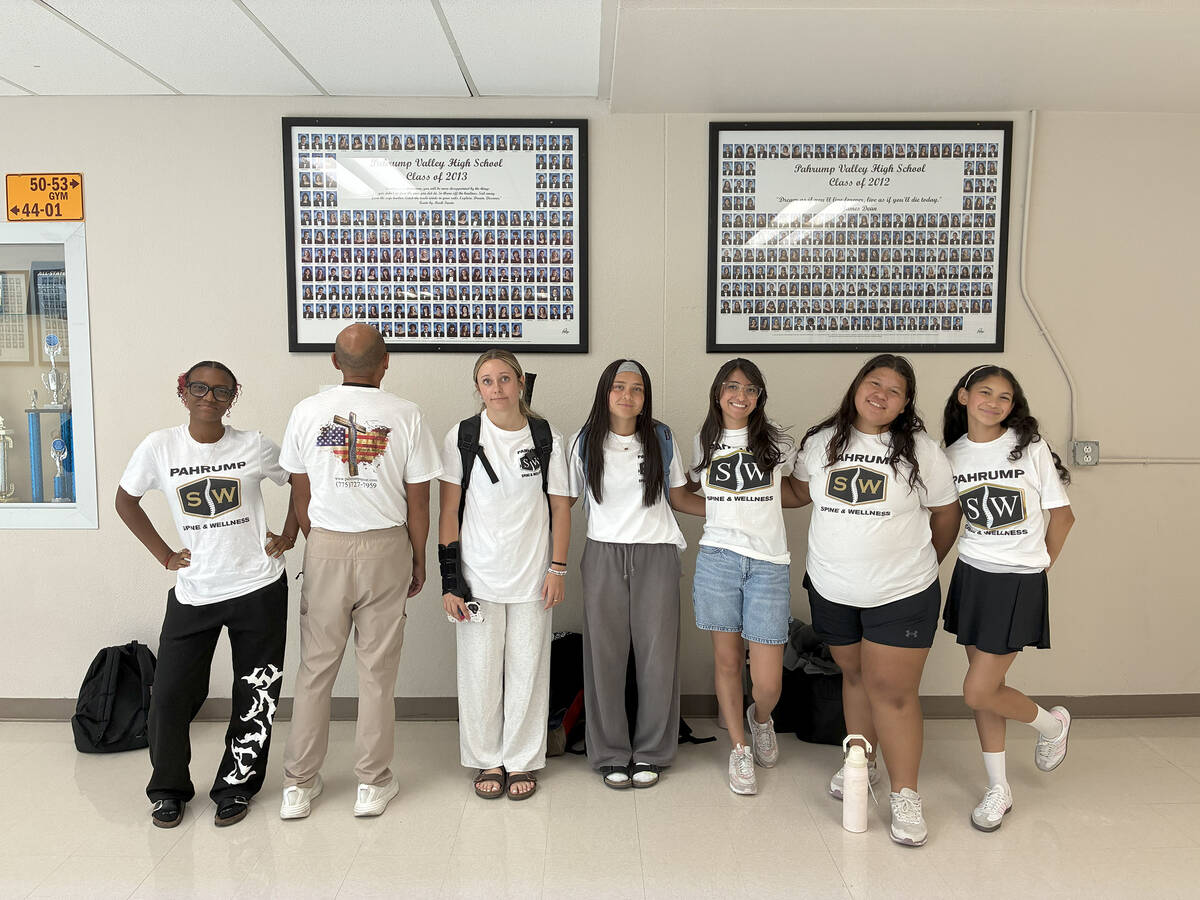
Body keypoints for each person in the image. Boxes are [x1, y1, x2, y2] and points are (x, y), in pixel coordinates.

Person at [116, 360, 297, 829]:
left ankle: (237, 786)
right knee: (171, 695)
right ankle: (168, 790)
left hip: (258, 586)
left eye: (221, 391)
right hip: (195, 591)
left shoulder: (254, 445)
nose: (209, 398)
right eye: (199, 387)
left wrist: (290, 534)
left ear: (233, 397)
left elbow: (301, 480)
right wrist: (163, 555)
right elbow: (125, 500)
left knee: (256, 693)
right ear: (183, 391)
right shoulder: (160, 446)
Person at [795, 354, 960, 846]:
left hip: (901, 592)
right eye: (874, 382)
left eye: (895, 390)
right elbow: (798, 493)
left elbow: (947, 514)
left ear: (906, 403)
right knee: (855, 676)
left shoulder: (923, 452)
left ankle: (906, 794)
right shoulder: (820, 443)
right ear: (857, 387)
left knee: (893, 692)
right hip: (831, 588)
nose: (882, 394)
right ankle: (861, 765)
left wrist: (926, 562)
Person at [277, 324, 441, 820]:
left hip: (324, 546)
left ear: (334, 362)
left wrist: (321, 544)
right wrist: (418, 557)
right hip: (387, 546)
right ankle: (372, 783)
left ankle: (298, 786)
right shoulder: (406, 415)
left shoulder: (306, 412)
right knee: (377, 673)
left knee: (314, 671)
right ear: (385, 361)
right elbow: (419, 502)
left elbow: (299, 495)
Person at [941, 365, 1075, 832]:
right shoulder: (951, 455)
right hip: (973, 575)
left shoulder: (1029, 448)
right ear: (963, 397)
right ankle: (999, 787)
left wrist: (1038, 569)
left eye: (1005, 397)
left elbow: (1063, 518)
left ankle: (1051, 725)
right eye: (985, 392)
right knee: (986, 693)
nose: (994, 403)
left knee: (978, 689)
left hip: (1018, 580)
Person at [437, 349, 571, 801]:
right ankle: (486, 759)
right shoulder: (464, 435)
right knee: (479, 673)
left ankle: (521, 761)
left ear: (520, 384)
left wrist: (557, 568)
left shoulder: (547, 435)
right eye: (487, 381)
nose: (497, 389)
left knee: (529, 671)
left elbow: (560, 508)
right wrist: (450, 581)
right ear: (478, 388)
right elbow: (448, 511)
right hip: (478, 578)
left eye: (505, 379)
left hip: (534, 577)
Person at [567, 360, 706, 790]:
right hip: (603, 554)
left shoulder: (661, 437)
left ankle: (652, 752)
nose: (628, 396)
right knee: (604, 657)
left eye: (637, 389)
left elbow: (680, 495)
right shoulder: (583, 440)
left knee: (657, 657)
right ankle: (609, 752)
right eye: (619, 387)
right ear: (604, 392)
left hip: (657, 554)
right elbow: (562, 502)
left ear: (646, 397)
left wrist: (738, 508)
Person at [685, 358, 803, 796]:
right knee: (728, 662)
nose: (741, 395)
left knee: (768, 680)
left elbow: (796, 491)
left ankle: (761, 720)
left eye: (750, 389)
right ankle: (738, 747)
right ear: (718, 393)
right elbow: (692, 493)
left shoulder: (778, 442)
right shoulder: (704, 440)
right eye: (732, 387)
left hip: (769, 563)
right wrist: (719, 514)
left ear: (759, 398)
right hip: (718, 559)